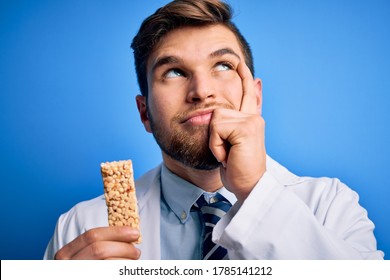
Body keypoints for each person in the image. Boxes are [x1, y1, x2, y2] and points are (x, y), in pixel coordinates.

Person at [44, 0, 383, 260]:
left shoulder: (331, 208)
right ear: (145, 114)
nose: (202, 90)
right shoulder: (81, 228)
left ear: (256, 95)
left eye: (222, 65)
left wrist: (255, 190)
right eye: (174, 72)